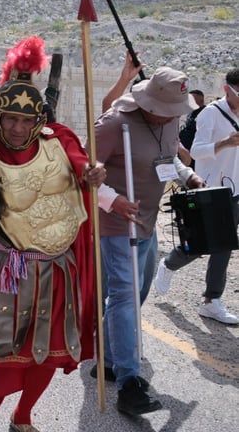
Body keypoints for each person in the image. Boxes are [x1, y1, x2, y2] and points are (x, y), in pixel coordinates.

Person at [0, 36, 104, 431]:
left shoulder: (60, 139)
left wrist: (91, 176)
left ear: (38, 120)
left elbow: (82, 166)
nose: (17, 127)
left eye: (25, 120)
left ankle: (24, 413)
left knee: (46, 350)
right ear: (0, 116)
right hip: (6, 264)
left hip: (56, 266)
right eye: (11, 119)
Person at [94, 65, 204, 416]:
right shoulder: (113, 123)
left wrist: (188, 176)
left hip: (148, 222)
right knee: (125, 295)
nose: (170, 118)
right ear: (149, 103)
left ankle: (110, 360)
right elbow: (81, 171)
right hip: (115, 224)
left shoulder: (168, 121)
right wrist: (114, 200)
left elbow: (167, 155)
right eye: (165, 113)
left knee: (136, 294)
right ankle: (130, 382)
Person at [153, 69, 239, 325]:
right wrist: (225, 142)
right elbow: (196, 152)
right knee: (200, 244)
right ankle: (168, 264)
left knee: (224, 246)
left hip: (234, 190)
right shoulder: (211, 113)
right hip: (209, 188)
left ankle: (211, 300)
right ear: (227, 89)